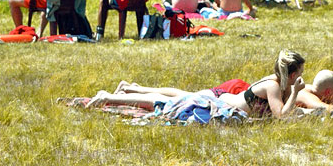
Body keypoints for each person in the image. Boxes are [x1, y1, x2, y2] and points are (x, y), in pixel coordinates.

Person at [88, 50, 308, 120]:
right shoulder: (273, 86)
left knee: (177, 96)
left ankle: (132, 88)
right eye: (300, 72)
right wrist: (296, 92)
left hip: (222, 99)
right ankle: (108, 97)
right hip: (217, 104)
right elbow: (281, 117)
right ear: (292, 74)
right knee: (167, 102)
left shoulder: (281, 85)